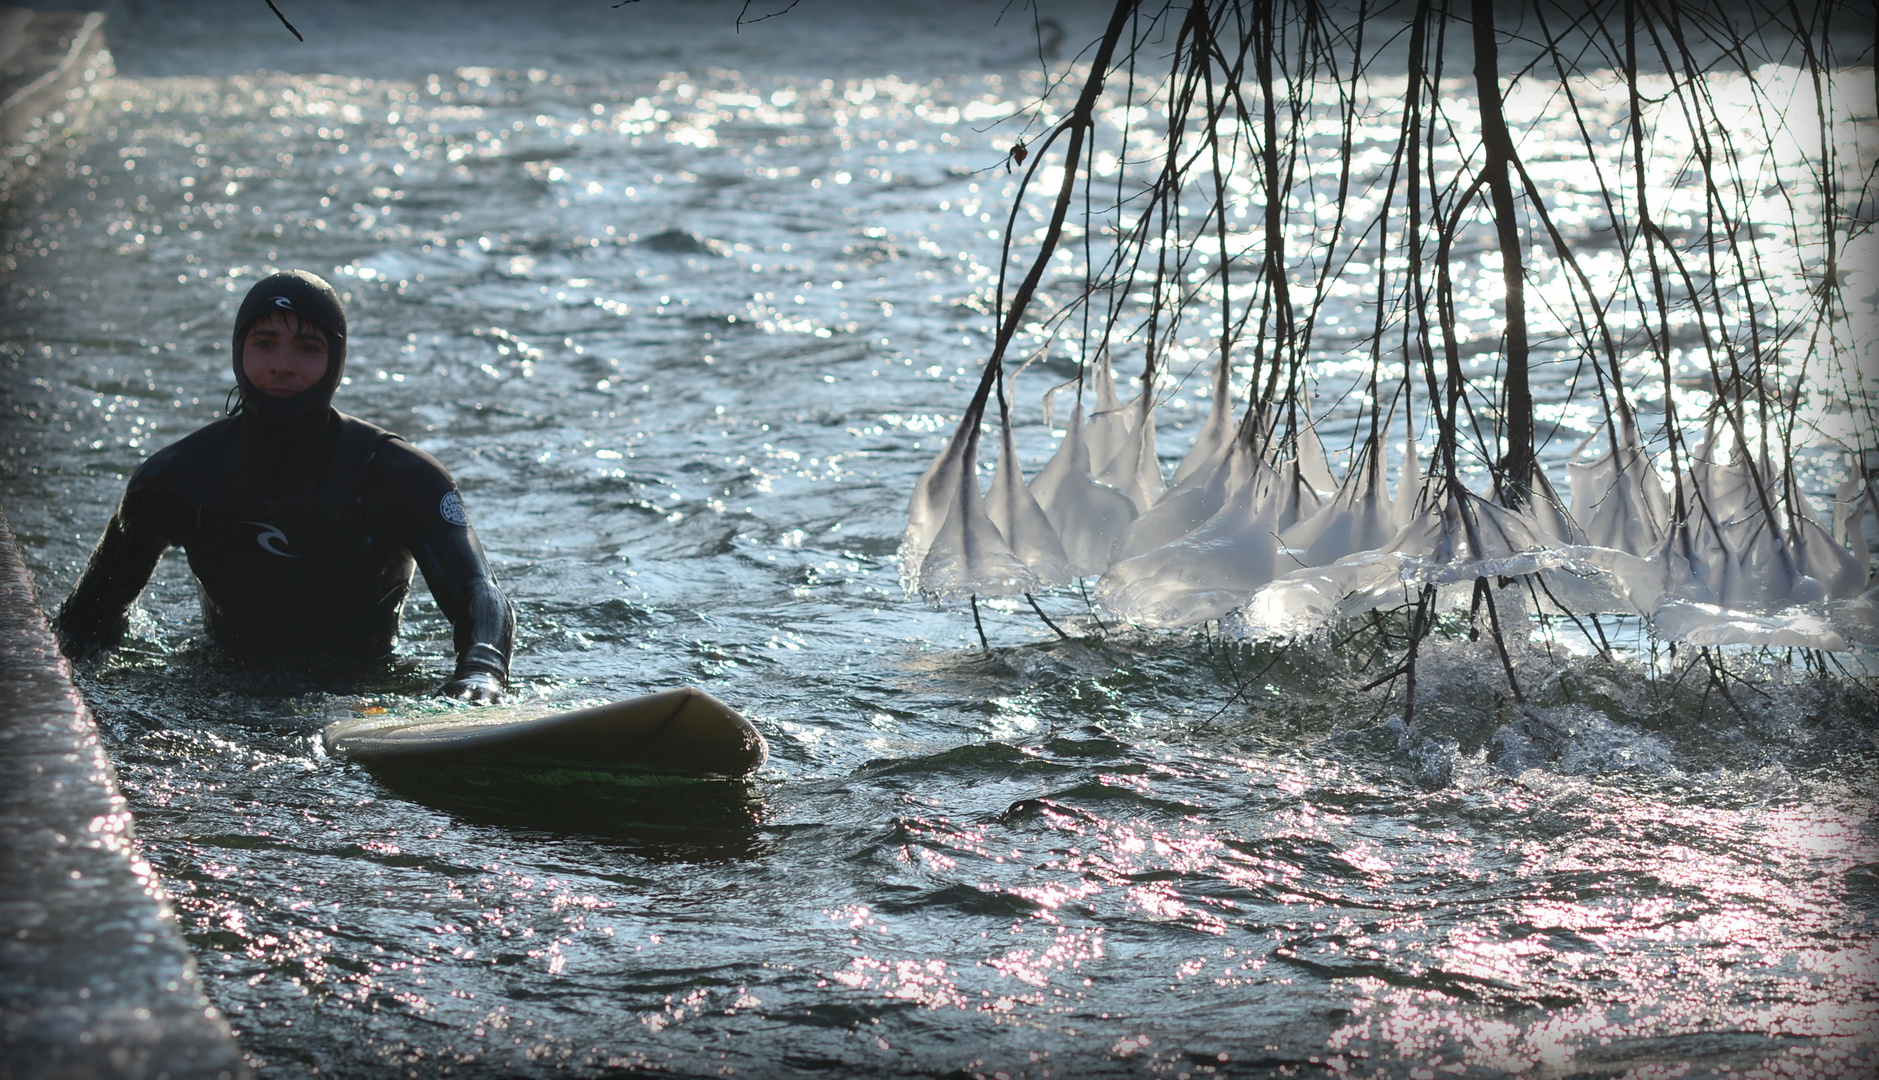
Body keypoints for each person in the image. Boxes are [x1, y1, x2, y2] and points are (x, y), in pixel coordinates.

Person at [55, 270, 514, 702]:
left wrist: (482, 672)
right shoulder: (177, 479)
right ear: (239, 351)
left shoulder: (400, 478)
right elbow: (83, 628)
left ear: (336, 361)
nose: (282, 366)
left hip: (363, 692)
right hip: (216, 692)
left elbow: (479, 592)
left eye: (308, 348)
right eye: (265, 343)